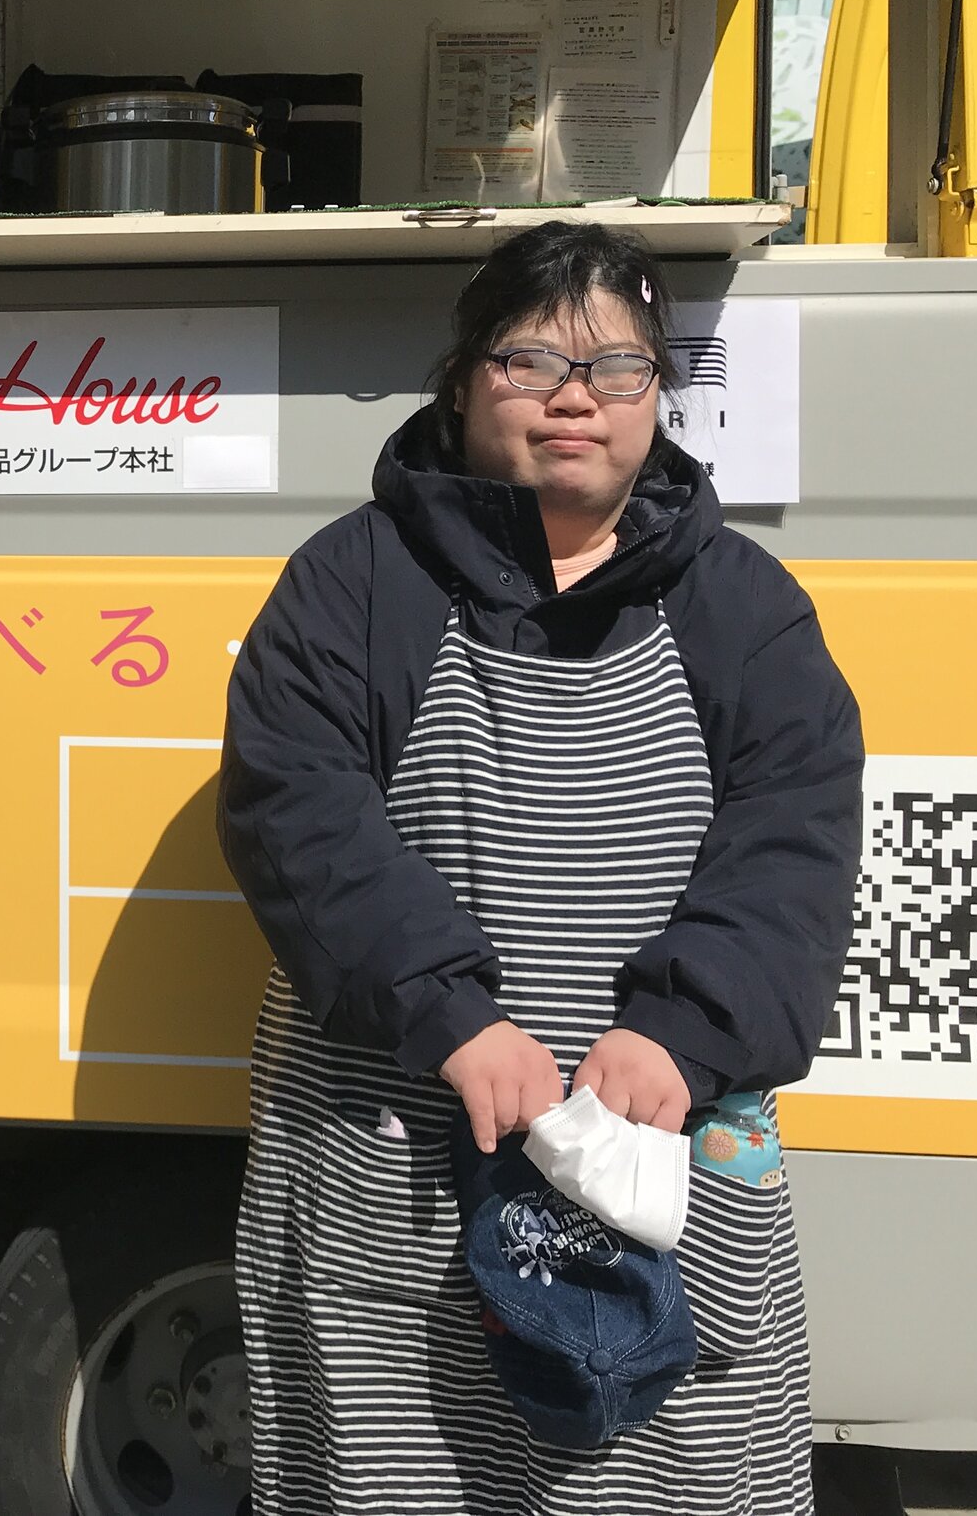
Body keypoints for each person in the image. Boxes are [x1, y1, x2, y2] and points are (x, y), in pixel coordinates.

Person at [218, 221, 861, 1515]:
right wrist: (451, 1011)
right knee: (393, 1466)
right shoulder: (353, 582)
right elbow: (297, 805)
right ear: (461, 381)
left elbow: (795, 833)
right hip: (397, 1141)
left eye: (618, 366)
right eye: (532, 358)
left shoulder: (744, 603)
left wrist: (683, 1028)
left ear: (657, 398)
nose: (578, 395)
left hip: (660, 1147)